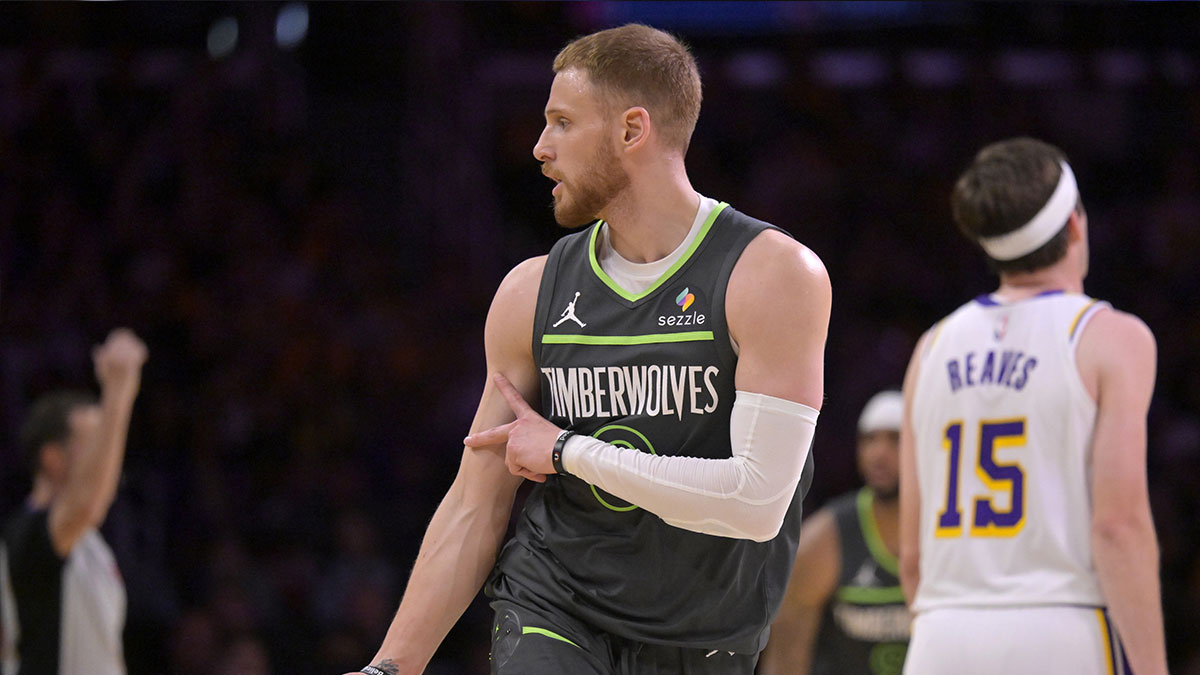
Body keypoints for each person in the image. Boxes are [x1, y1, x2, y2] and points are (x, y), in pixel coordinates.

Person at [348, 23, 830, 675]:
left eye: (562, 123)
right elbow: (474, 504)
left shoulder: (772, 275)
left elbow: (755, 503)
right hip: (555, 603)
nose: (539, 148)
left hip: (705, 633)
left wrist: (565, 450)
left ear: (632, 130)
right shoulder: (530, 292)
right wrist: (388, 667)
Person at [897, 137, 1167, 675]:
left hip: (942, 631)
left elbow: (912, 555)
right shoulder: (1112, 338)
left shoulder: (931, 347)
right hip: (1061, 626)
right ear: (1074, 225)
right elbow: (1118, 526)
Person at [1, 328, 148, 675]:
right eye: (94, 443)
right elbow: (88, 503)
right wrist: (119, 390)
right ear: (53, 459)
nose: (108, 455)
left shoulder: (91, 544)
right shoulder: (24, 536)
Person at [759, 390, 910, 675]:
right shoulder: (824, 540)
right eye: (869, 439)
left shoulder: (945, 529)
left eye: (895, 439)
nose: (879, 453)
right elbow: (785, 660)